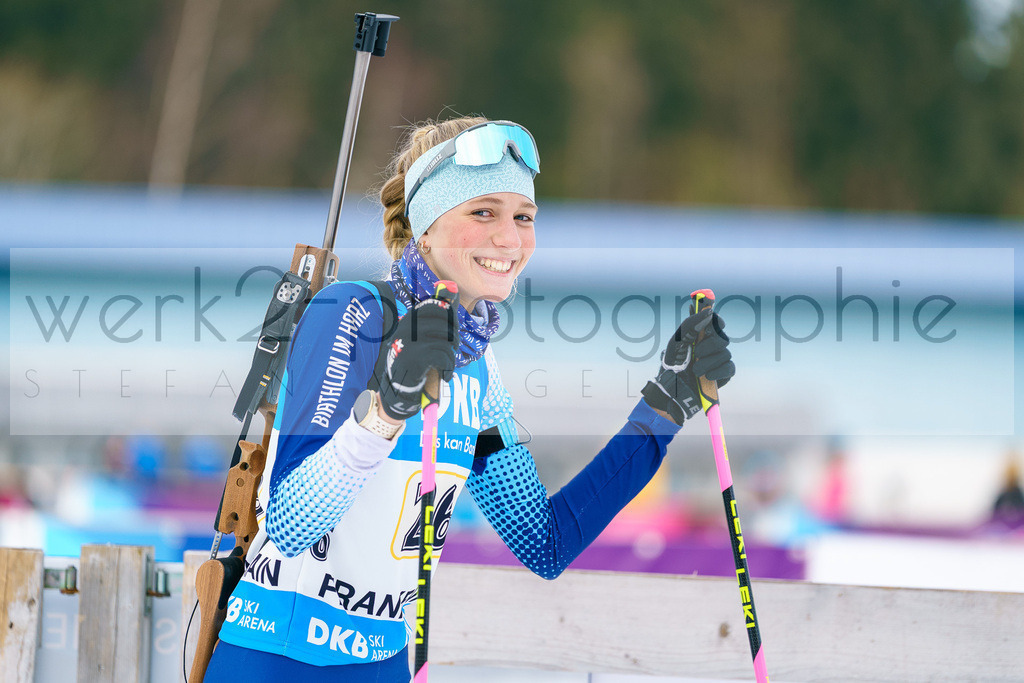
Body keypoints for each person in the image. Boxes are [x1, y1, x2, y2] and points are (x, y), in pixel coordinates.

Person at [204, 116, 734, 681]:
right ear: (425, 226)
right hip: (277, 660)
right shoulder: (352, 314)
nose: (508, 239)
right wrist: (385, 414)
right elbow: (287, 524)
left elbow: (543, 540)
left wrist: (664, 407)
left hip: (382, 665)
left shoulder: (477, 369)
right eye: (482, 212)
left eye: (523, 217)